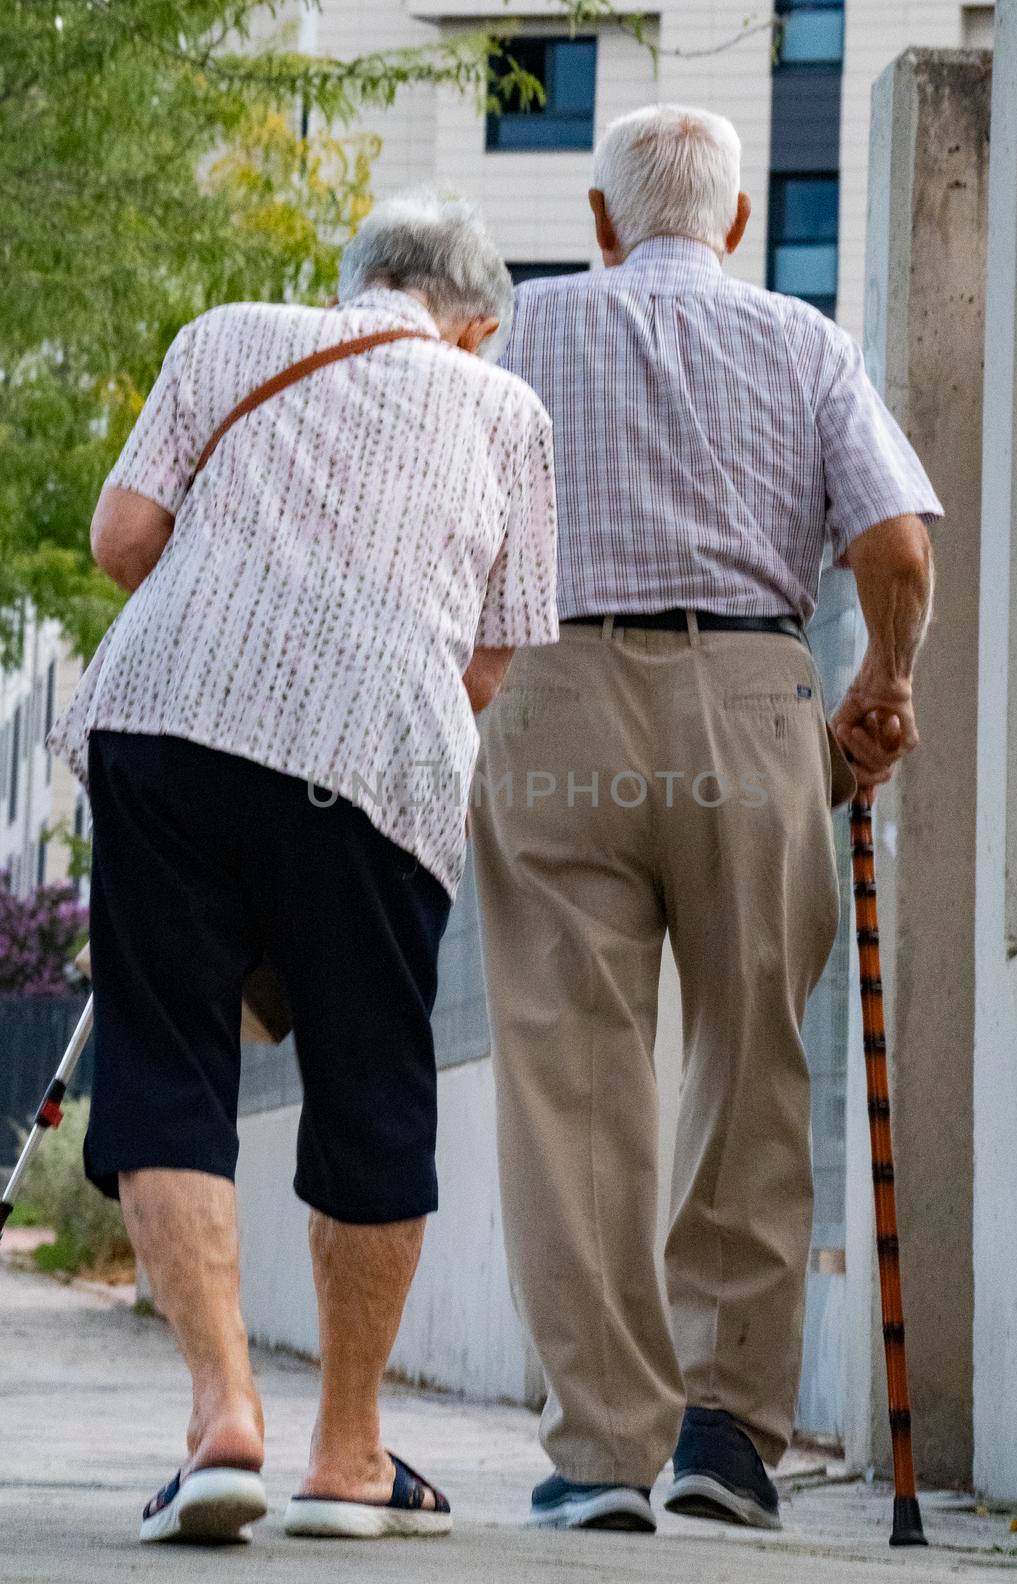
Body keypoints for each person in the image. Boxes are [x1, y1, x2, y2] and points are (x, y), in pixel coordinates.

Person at [48, 190, 558, 1545]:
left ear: (352, 282)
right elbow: (492, 665)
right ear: (480, 324)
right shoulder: (506, 413)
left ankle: (222, 1422)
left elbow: (122, 542)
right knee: (368, 1080)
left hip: (166, 723)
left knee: (166, 1061)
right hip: (374, 757)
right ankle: (349, 1455)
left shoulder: (227, 336)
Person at [471, 105, 939, 1534]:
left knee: (570, 1086)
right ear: (735, 225)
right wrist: (882, 686)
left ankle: (601, 1455)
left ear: (603, 223)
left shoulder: (518, 336)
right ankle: (725, 1437)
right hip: (751, 697)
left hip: (555, 702)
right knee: (749, 1064)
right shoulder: (804, 342)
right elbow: (897, 545)